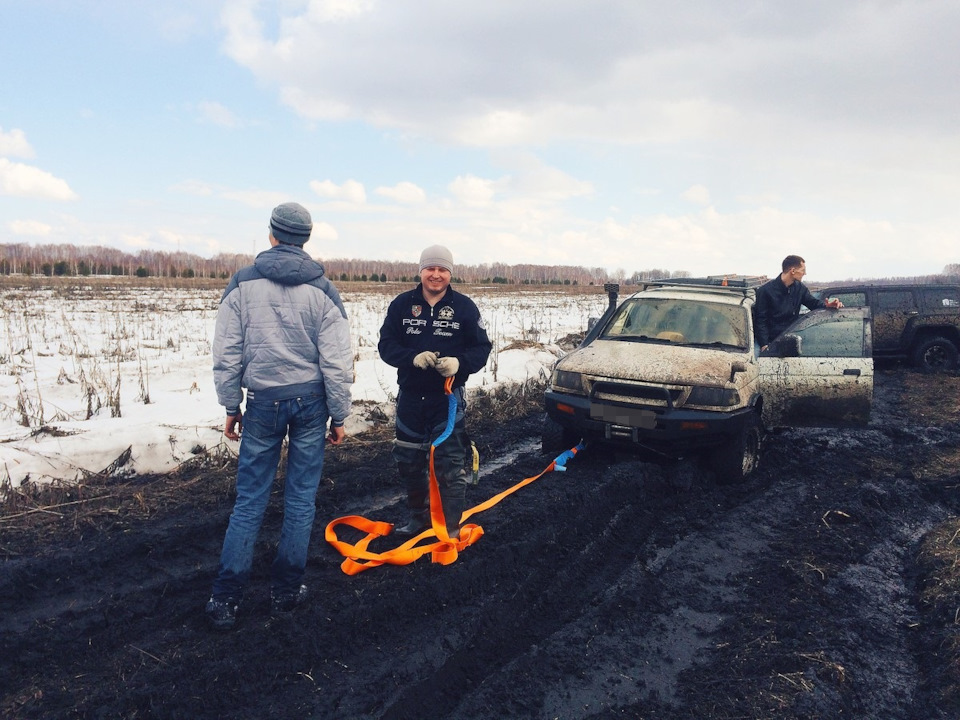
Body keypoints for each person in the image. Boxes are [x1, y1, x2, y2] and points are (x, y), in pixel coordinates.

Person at [206, 202, 354, 631]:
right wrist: (339, 415)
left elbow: (227, 353)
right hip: (311, 405)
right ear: (305, 239)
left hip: (263, 404)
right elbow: (337, 362)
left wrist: (231, 406)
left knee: (250, 501)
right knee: (301, 498)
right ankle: (286, 592)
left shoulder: (241, 284)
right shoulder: (324, 290)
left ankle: (225, 599)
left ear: (272, 234)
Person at [378, 245, 492, 539]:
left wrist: (459, 363)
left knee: (450, 465)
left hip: (448, 401)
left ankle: (450, 529)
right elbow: (386, 345)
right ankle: (418, 520)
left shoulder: (465, 308)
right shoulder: (402, 305)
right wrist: (411, 358)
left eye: (442, 269)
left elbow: (481, 349)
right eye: (431, 268)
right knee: (409, 462)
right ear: (421, 271)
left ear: (450, 273)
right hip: (411, 400)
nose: (436, 275)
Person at [754, 254, 843, 351]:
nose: (805, 273)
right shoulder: (765, 291)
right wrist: (764, 344)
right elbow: (760, 320)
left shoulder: (800, 288)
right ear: (792, 271)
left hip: (791, 340)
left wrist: (827, 305)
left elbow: (813, 303)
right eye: (803, 270)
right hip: (770, 342)